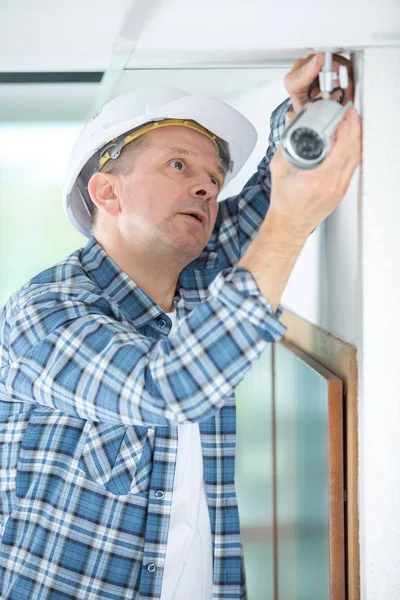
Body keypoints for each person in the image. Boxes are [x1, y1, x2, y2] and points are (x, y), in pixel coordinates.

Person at [0, 53, 361, 600]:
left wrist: (305, 111)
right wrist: (291, 219)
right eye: (178, 166)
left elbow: (269, 198)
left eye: (214, 177)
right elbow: (167, 389)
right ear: (107, 192)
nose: (207, 189)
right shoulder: (45, 314)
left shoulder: (196, 281)